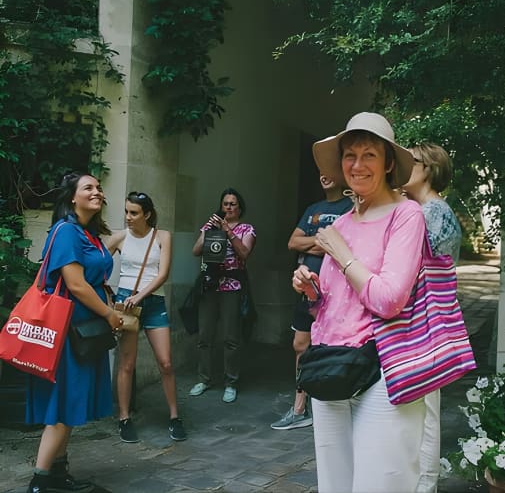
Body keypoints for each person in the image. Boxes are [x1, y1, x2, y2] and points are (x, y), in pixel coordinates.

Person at [292, 112, 430, 493]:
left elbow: (388, 300)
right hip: (332, 364)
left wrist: (341, 253)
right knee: (334, 485)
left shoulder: (407, 216)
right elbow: (334, 307)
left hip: (384, 370)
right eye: (350, 156)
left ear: (388, 163)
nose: (357, 165)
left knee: (380, 484)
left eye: (369, 154)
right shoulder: (343, 223)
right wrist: (312, 291)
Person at [26, 172, 122, 493]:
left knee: (71, 402)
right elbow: (77, 284)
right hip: (69, 330)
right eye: (88, 188)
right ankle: (39, 482)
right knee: (63, 404)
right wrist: (109, 314)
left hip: (86, 329)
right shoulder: (67, 231)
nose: (97, 191)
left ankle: (57, 473)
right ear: (72, 197)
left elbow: (92, 279)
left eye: (98, 187)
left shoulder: (88, 233)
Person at [402, 142, 463, 492]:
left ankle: (424, 486)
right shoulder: (426, 209)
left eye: (412, 161)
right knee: (422, 410)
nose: (403, 166)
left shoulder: (432, 212)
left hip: (425, 323)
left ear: (428, 169)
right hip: (428, 320)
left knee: (425, 412)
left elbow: (416, 272)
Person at [271, 174, 352, 430]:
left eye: (330, 171)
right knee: (300, 344)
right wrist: (323, 242)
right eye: (320, 172)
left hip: (336, 291)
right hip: (308, 289)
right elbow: (292, 242)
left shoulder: (349, 208)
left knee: (332, 345)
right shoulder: (313, 210)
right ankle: (299, 407)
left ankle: (333, 407)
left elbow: (346, 246)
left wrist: (315, 244)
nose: (324, 175)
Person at [105, 191, 186, 443]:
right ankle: (124, 417)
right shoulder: (119, 237)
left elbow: (162, 274)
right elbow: (95, 264)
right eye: (127, 212)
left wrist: (139, 297)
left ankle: (175, 417)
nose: (128, 217)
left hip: (151, 300)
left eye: (134, 213)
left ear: (147, 214)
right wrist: (108, 295)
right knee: (127, 364)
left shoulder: (162, 236)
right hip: (126, 302)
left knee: (166, 363)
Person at [189, 187, 256, 404]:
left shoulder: (246, 229)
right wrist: (208, 230)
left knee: (231, 338)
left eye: (232, 204)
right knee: (204, 336)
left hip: (232, 287)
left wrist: (228, 231)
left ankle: (230, 382)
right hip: (210, 286)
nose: (228, 207)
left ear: (239, 207)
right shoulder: (211, 226)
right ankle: (204, 379)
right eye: (225, 204)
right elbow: (196, 250)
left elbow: (244, 253)